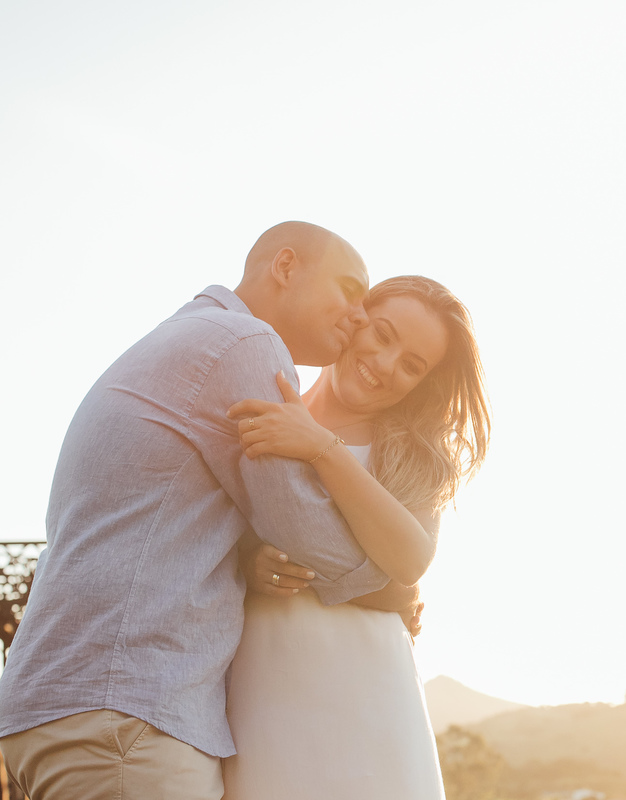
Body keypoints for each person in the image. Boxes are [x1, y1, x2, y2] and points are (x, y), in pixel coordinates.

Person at [0, 222, 396, 799]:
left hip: (78, 703)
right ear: (285, 267)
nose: (359, 316)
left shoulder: (184, 336)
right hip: (127, 713)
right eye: (349, 290)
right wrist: (393, 578)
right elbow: (314, 539)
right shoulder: (245, 344)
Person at [220, 275, 490, 799]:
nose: (386, 365)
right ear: (354, 317)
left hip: (371, 701)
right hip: (260, 696)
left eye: (413, 365)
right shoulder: (264, 401)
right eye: (382, 334)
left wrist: (322, 447)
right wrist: (247, 564)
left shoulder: (417, 454)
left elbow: (410, 561)